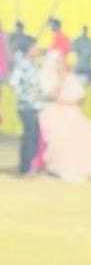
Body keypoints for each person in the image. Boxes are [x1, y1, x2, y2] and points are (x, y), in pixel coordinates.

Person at [37, 51, 91, 182]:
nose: (61, 64)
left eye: (62, 61)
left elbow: (81, 97)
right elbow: (51, 96)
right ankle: (60, 167)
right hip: (54, 111)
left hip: (73, 112)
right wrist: (61, 81)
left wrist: (72, 100)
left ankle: (86, 168)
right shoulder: (46, 77)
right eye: (58, 62)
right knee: (66, 134)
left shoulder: (71, 76)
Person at [10, 42, 44, 175]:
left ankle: (30, 166)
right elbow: (13, 83)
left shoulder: (35, 65)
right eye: (35, 48)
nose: (37, 50)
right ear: (28, 50)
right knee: (29, 136)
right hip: (26, 107)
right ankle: (25, 168)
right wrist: (25, 96)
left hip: (37, 106)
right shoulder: (22, 65)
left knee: (34, 136)